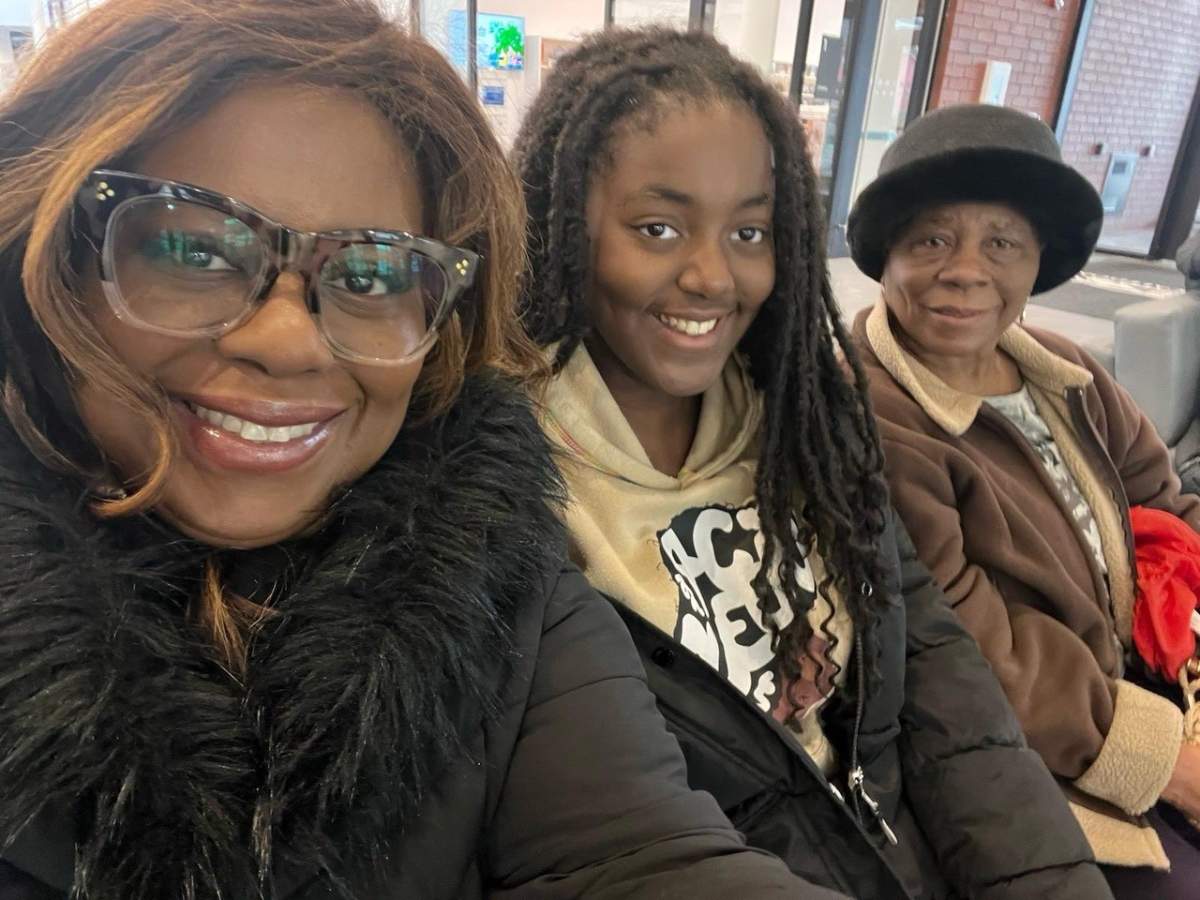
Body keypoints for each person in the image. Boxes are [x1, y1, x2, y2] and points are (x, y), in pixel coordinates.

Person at [0, 2, 825, 898]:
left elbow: (639, 851)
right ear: (46, 253)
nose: (286, 341)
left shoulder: (496, 575)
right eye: (191, 250)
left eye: (370, 273)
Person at [514, 28, 1109, 900]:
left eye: (750, 231)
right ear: (563, 227)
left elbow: (954, 706)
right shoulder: (502, 495)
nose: (713, 276)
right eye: (658, 228)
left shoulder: (812, 428)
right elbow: (609, 844)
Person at [845, 102, 1200, 897]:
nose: (966, 270)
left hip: (1146, 670)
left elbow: (1160, 498)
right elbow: (972, 647)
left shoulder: (1063, 368)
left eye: (1002, 242)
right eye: (930, 240)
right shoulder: (870, 415)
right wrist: (1167, 763)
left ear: (1039, 260)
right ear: (884, 255)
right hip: (1025, 740)